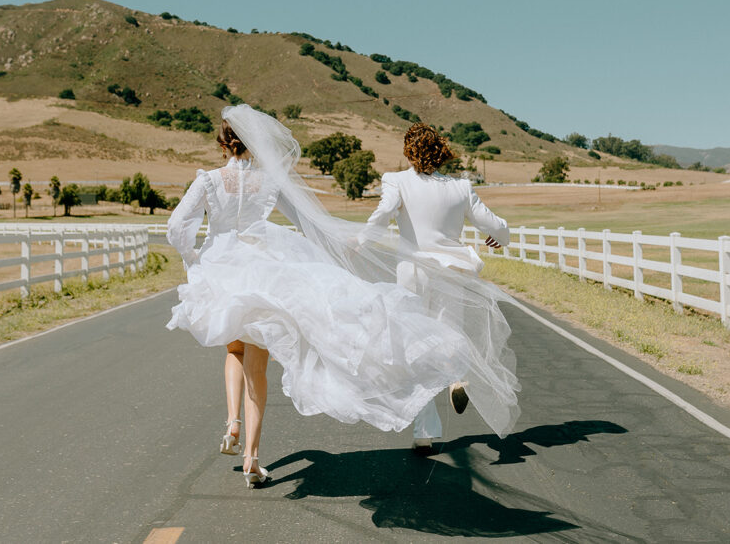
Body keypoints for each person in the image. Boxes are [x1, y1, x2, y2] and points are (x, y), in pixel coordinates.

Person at [166, 106, 516, 488]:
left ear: (223, 144)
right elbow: (305, 221)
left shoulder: (209, 181)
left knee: (233, 349)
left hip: (225, 269)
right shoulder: (269, 183)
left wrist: (195, 258)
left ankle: (232, 424)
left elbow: (176, 226)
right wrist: (331, 254)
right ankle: (251, 454)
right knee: (260, 360)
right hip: (266, 266)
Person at [366, 123, 511, 454]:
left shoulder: (396, 180)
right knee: (447, 337)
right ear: (441, 151)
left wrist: (362, 238)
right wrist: (501, 237)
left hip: (413, 273)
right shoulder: (460, 187)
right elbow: (491, 223)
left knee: (417, 348)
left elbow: (385, 212)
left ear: (408, 150)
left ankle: (425, 431)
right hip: (452, 273)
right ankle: (456, 378)